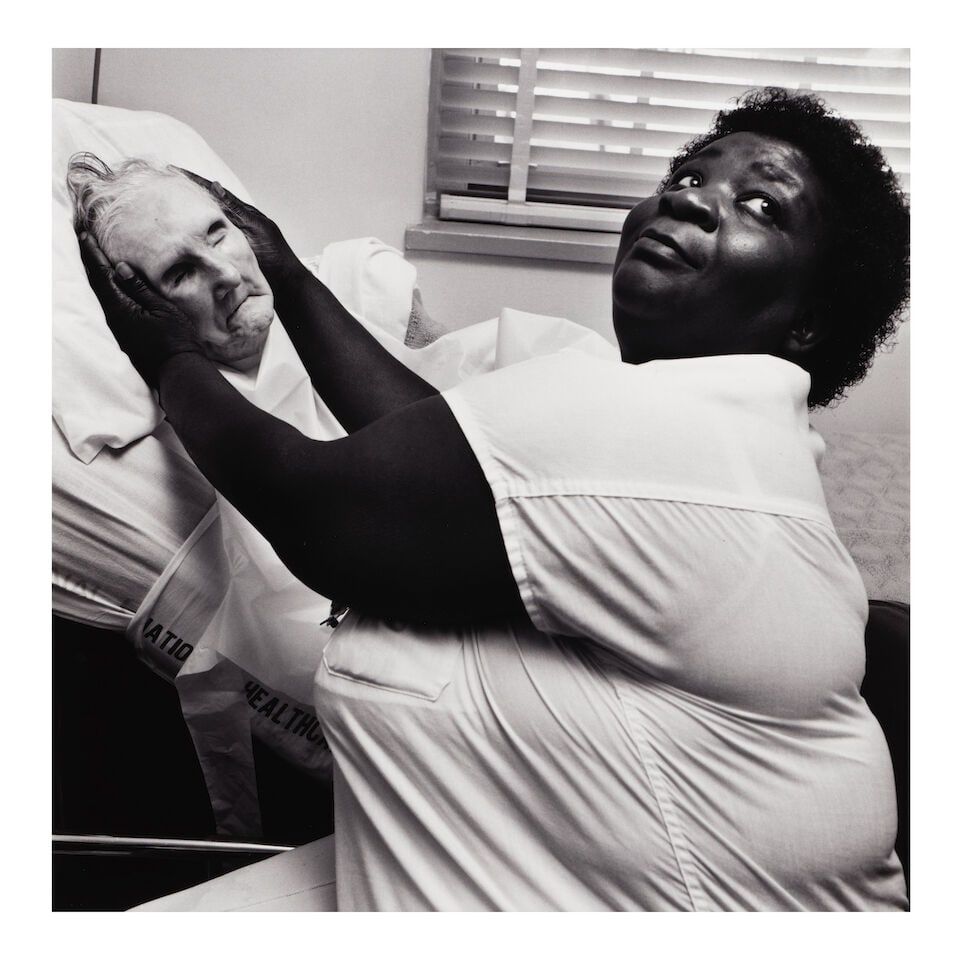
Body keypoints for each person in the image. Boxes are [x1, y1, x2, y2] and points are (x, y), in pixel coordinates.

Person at [79, 87, 910, 911]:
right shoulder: (710, 438)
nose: (690, 199)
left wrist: (165, 354)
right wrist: (289, 276)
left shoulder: (678, 432)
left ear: (809, 322)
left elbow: (314, 507)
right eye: (688, 175)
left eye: (760, 205)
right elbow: (435, 447)